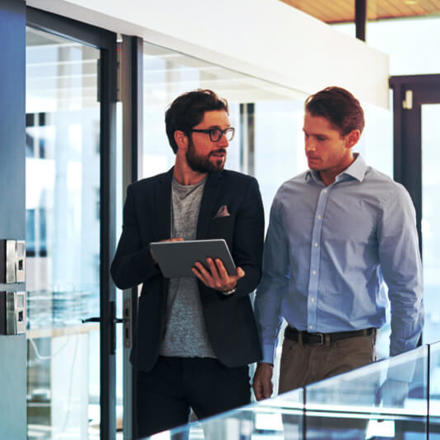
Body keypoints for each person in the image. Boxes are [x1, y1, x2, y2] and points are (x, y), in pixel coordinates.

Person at [252, 86, 424, 401]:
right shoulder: (287, 196)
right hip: (294, 352)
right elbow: (273, 280)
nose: (308, 146)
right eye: (305, 135)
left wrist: (400, 375)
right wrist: (264, 357)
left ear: (352, 138)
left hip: (352, 355)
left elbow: (406, 290)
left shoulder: (387, 196)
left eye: (320, 138)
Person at [111, 89, 264, 437]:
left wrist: (232, 284)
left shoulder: (242, 190)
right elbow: (121, 273)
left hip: (223, 361)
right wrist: (154, 254)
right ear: (181, 138)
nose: (222, 141)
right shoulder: (142, 194)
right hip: (158, 364)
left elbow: (254, 268)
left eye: (226, 132)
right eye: (212, 133)